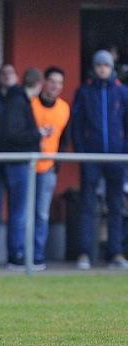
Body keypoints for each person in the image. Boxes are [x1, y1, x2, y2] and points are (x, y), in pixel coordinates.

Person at [71, 50, 128, 270]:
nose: (102, 68)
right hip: (91, 158)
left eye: (106, 65)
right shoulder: (84, 92)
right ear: (94, 68)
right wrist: (82, 153)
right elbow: (77, 126)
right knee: (88, 205)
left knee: (115, 206)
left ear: (111, 67)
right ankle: (85, 253)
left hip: (116, 158)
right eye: (99, 65)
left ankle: (115, 253)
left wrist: (124, 152)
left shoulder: (122, 93)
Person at [0, 64, 41, 269]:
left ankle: (6, 253)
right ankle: (11, 254)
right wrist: (38, 135)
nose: (7, 76)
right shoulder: (16, 100)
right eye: (3, 73)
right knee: (8, 212)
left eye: (10, 73)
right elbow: (12, 134)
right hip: (8, 164)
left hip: (7, 162)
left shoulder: (14, 99)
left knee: (7, 211)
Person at [31, 66, 70, 271]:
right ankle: (21, 254)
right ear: (44, 82)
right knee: (24, 212)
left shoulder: (64, 108)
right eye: (52, 80)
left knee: (42, 214)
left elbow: (64, 139)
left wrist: (56, 166)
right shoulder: (31, 103)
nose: (55, 85)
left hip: (48, 168)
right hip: (27, 168)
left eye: (60, 82)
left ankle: (37, 256)